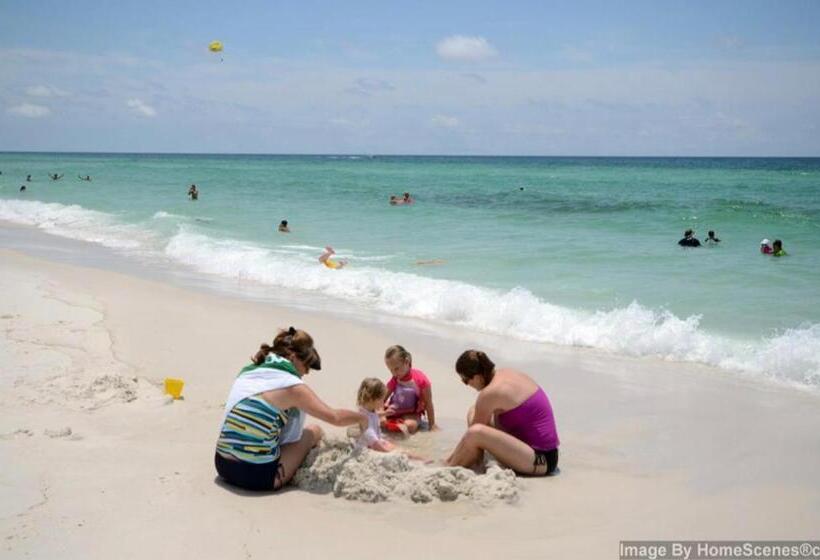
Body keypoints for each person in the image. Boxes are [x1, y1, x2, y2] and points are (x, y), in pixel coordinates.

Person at [214, 327, 365, 492]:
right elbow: (335, 417)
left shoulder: (249, 371)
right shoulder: (293, 386)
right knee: (314, 432)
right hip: (255, 476)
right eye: (305, 367)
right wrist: (364, 418)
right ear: (293, 358)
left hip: (222, 465)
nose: (305, 374)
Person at [446, 350, 560, 476]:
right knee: (474, 411)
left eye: (466, 380)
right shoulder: (505, 374)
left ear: (478, 377)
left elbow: (472, 434)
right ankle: (476, 458)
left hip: (541, 460)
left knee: (475, 432)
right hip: (540, 451)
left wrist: (449, 460)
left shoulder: (490, 393)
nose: (467, 385)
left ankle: (449, 468)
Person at [382, 345, 436, 434]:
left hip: (412, 413)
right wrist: (382, 414)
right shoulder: (395, 378)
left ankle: (399, 424)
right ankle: (394, 423)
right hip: (394, 409)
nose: (394, 373)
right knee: (380, 421)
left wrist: (432, 425)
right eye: (391, 370)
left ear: (406, 362)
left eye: (396, 369)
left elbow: (428, 403)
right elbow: (382, 398)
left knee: (410, 426)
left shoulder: (421, 380)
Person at [354, 378, 395, 452]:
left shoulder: (368, 409)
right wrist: (389, 452)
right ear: (371, 399)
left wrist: (384, 413)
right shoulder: (364, 419)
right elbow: (373, 442)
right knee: (398, 451)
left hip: (376, 440)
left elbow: (373, 416)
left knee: (395, 446)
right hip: (368, 447)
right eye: (382, 399)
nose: (384, 402)